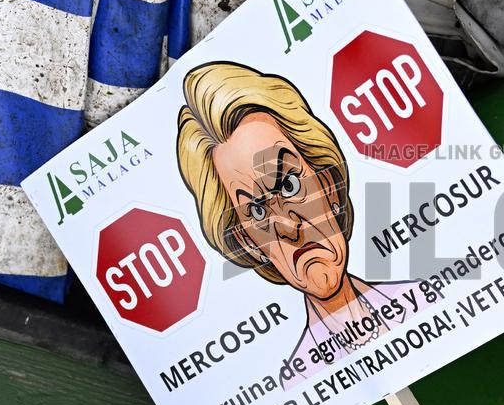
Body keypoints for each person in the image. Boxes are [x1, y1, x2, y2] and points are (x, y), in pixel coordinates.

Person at [176, 62, 417, 388]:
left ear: (329, 185)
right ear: (250, 243)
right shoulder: (299, 386)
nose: (288, 226)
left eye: (289, 185)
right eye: (257, 211)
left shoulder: (432, 302)